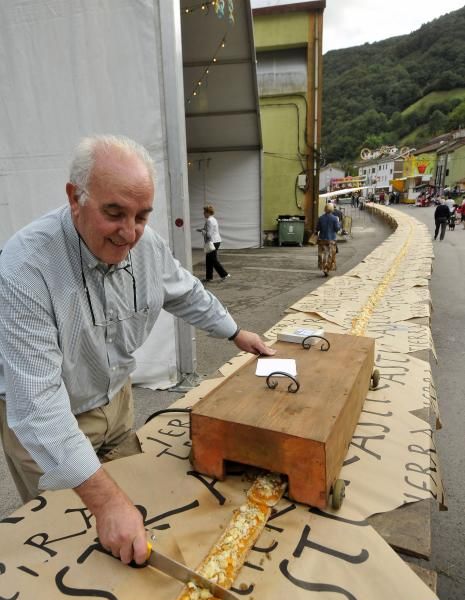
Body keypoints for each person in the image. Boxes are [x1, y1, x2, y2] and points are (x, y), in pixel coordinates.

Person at [0, 135, 274, 565]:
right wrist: (106, 503)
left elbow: (184, 292)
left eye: (142, 216)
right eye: (114, 214)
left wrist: (235, 332)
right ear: (75, 198)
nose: (129, 234)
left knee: (138, 514)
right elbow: (37, 407)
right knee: (67, 542)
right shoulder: (23, 269)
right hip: (53, 420)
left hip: (117, 401)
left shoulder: (145, 245)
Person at [197, 204, 229, 282]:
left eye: (204, 212)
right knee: (209, 260)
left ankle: (224, 274)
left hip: (212, 241)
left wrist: (202, 231)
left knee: (213, 259)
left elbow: (209, 234)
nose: (203, 214)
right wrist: (203, 229)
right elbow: (211, 230)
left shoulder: (209, 220)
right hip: (216, 240)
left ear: (208, 212)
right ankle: (209, 277)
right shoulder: (213, 219)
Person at [316, 202, 340, 277]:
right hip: (331, 240)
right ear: (332, 209)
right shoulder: (335, 218)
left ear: (325, 209)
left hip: (322, 239)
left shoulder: (321, 218)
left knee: (322, 254)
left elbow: (317, 228)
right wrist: (339, 224)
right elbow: (337, 229)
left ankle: (323, 267)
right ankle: (327, 268)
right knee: (330, 254)